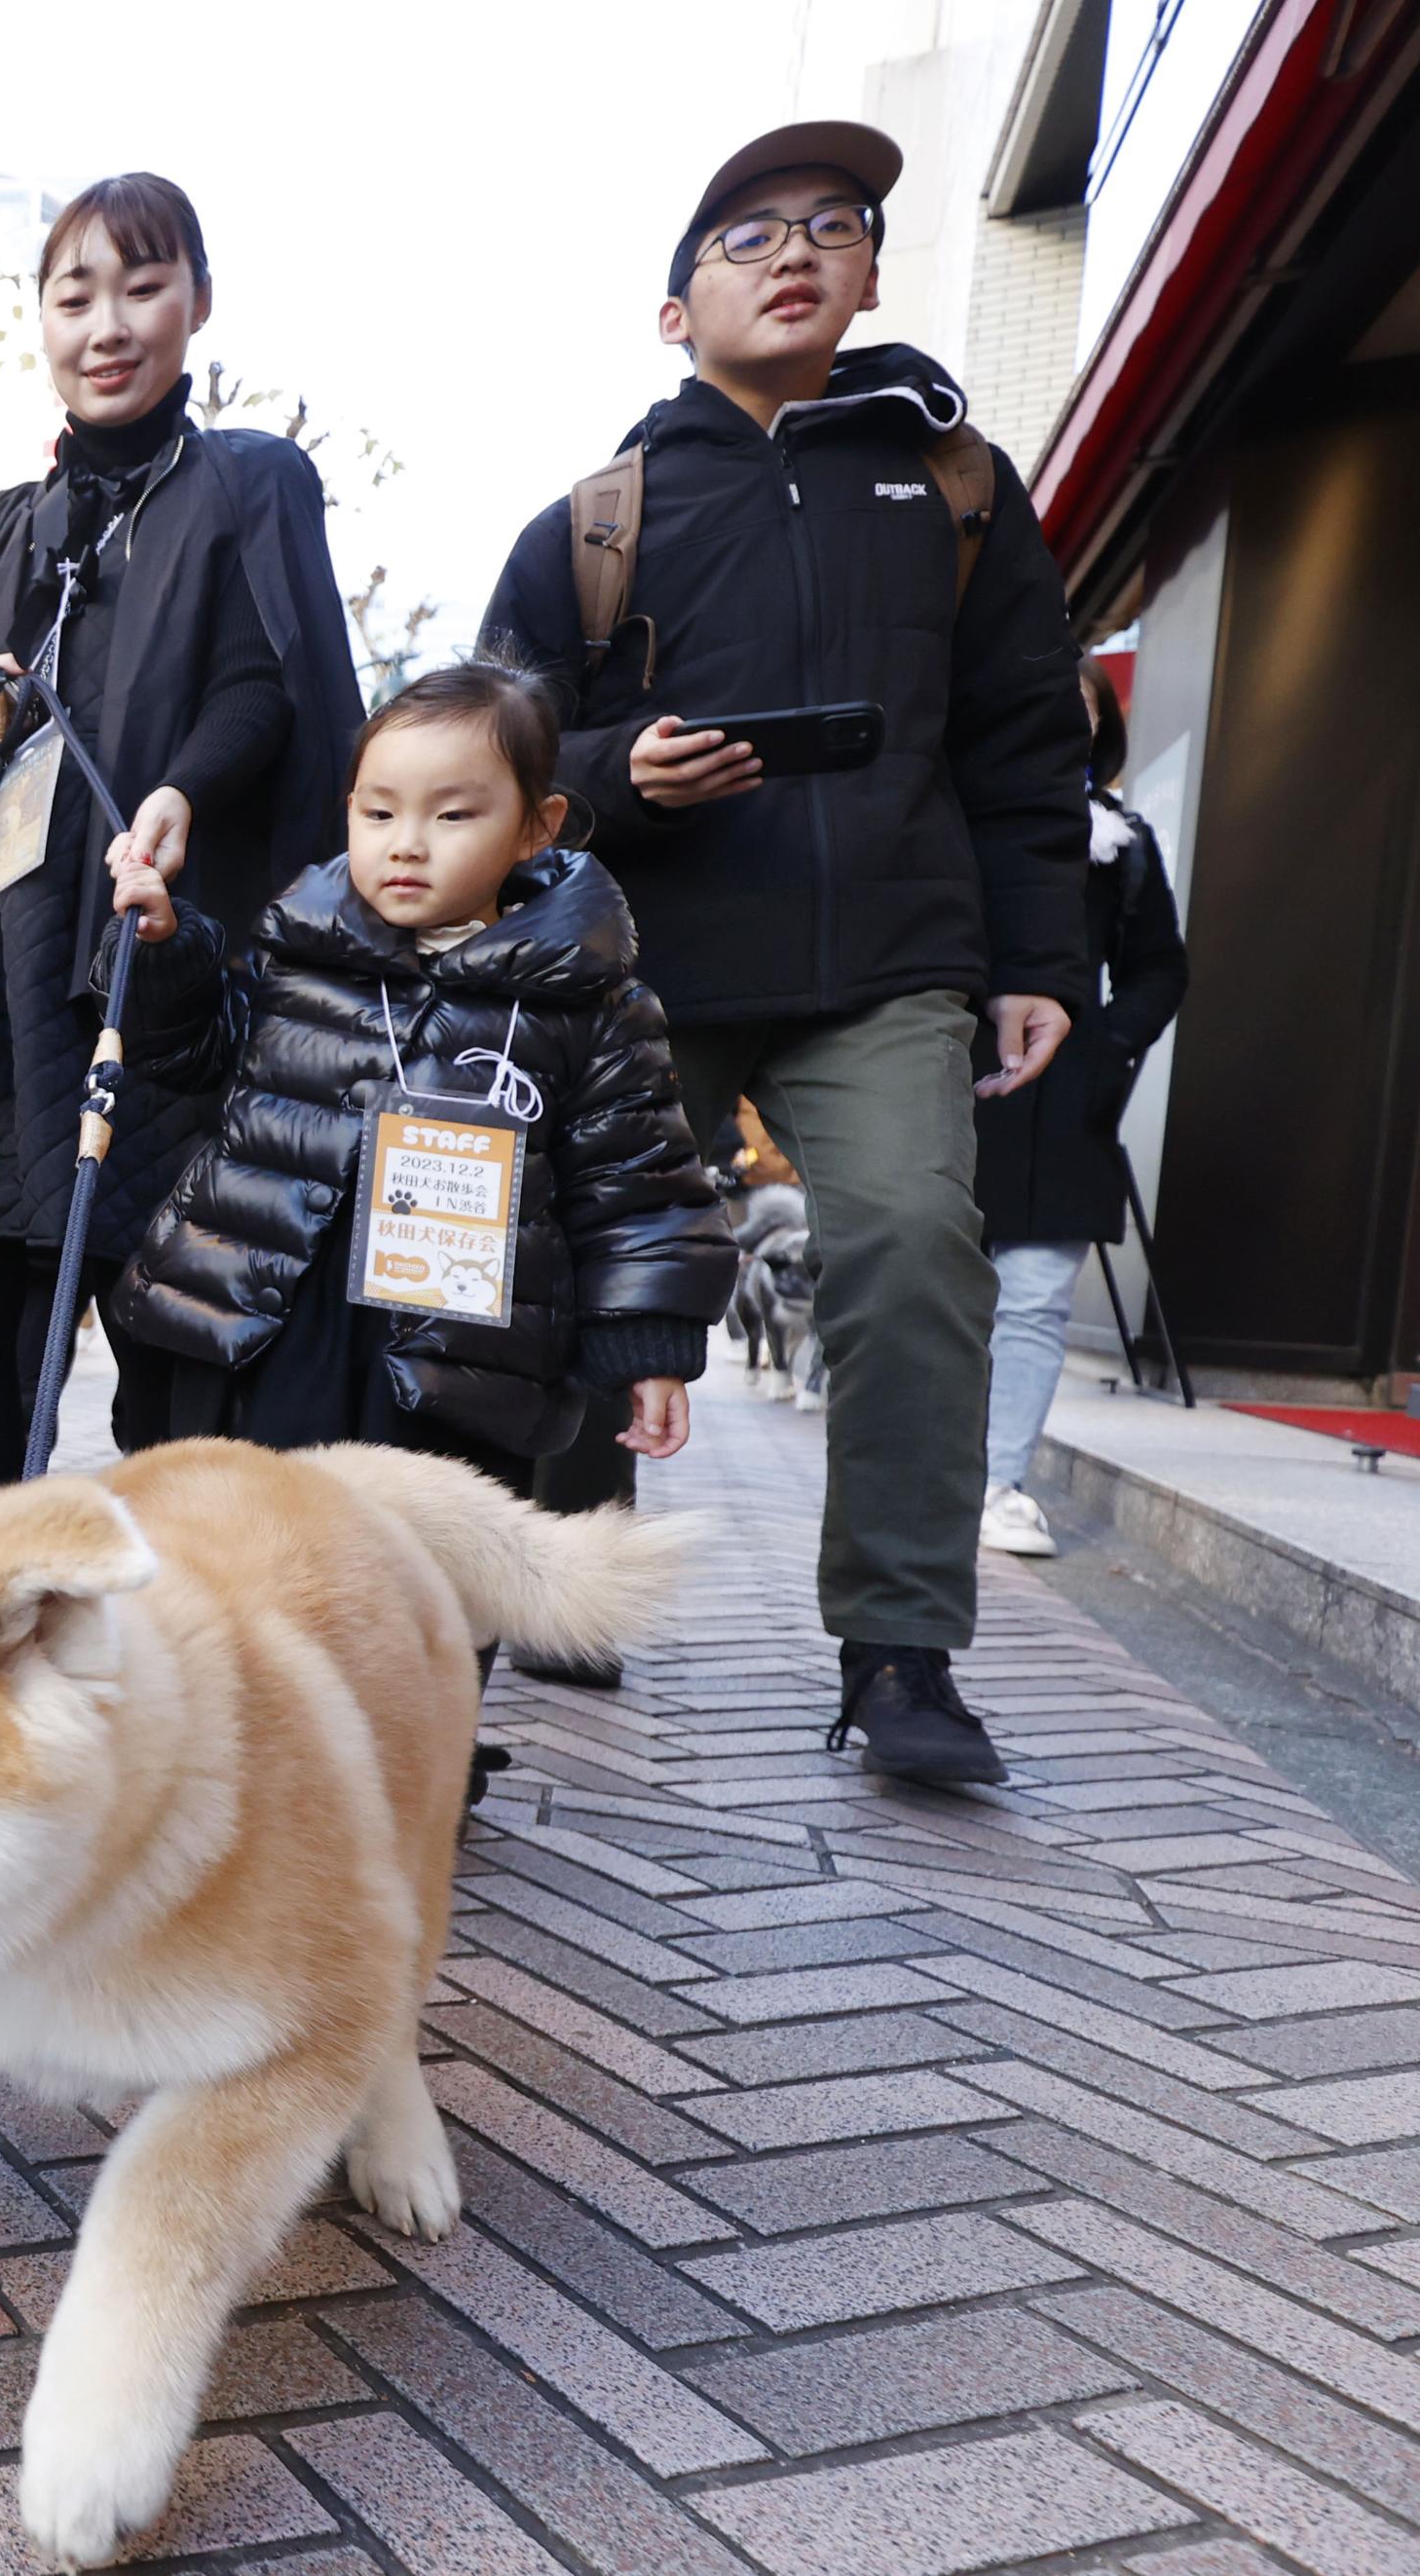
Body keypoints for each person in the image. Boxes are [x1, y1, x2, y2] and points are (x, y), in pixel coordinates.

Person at [480, 119, 1089, 1787]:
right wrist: (615, 774)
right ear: (672, 310)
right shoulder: (595, 517)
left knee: (910, 1244)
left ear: (871, 274)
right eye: (746, 236)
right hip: (640, 965)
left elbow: (1027, 742)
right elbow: (493, 750)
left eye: (829, 224)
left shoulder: (951, 487)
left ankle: (898, 1659)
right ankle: (558, 1583)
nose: (794, 250)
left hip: (889, 960)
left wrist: (1039, 956)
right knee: (546, 1265)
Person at [0, 172, 359, 1489]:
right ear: (40, 325)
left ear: (198, 305)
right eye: (75, 296)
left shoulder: (250, 480)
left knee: (176, 1330)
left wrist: (183, 790)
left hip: (150, 967)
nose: (109, 324)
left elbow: (275, 683)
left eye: (144, 287)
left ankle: (173, 1636)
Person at [107, 656, 735, 1510]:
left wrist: (650, 1347)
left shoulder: (589, 1002)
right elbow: (186, 1051)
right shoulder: (300, 954)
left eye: (452, 814)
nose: (406, 841)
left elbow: (639, 1185)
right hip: (269, 1321)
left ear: (535, 826)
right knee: (250, 1546)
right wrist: (165, 951)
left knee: (431, 1568)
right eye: (378, 812)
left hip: (460, 1358)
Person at [978, 655, 1187, 1555]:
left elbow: (1160, 967)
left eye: (1087, 702)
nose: (1068, 713)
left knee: (1033, 1297)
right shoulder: (957, 814)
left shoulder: (1123, 842)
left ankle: (998, 1483)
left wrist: (1106, 1048)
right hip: (951, 1076)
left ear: (1104, 726)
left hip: (1066, 1101)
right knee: (930, 1286)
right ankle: (922, 1471)